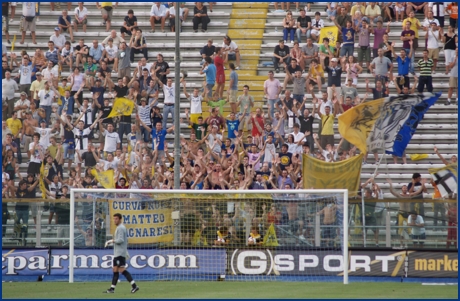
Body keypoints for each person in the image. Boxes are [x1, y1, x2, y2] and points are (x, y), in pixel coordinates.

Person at [104, 213, 139, 294]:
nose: (114, 220)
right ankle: (112, 289)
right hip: (118, 253)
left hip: (120, 253)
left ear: (120, 219)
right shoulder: (120, 228)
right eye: (114, 219)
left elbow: (120, 240)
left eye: (116, 219)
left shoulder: (120, 228)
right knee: (115, 270)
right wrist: (111, 243)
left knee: (122, 270)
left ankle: (134, 286)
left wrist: (111, 241)